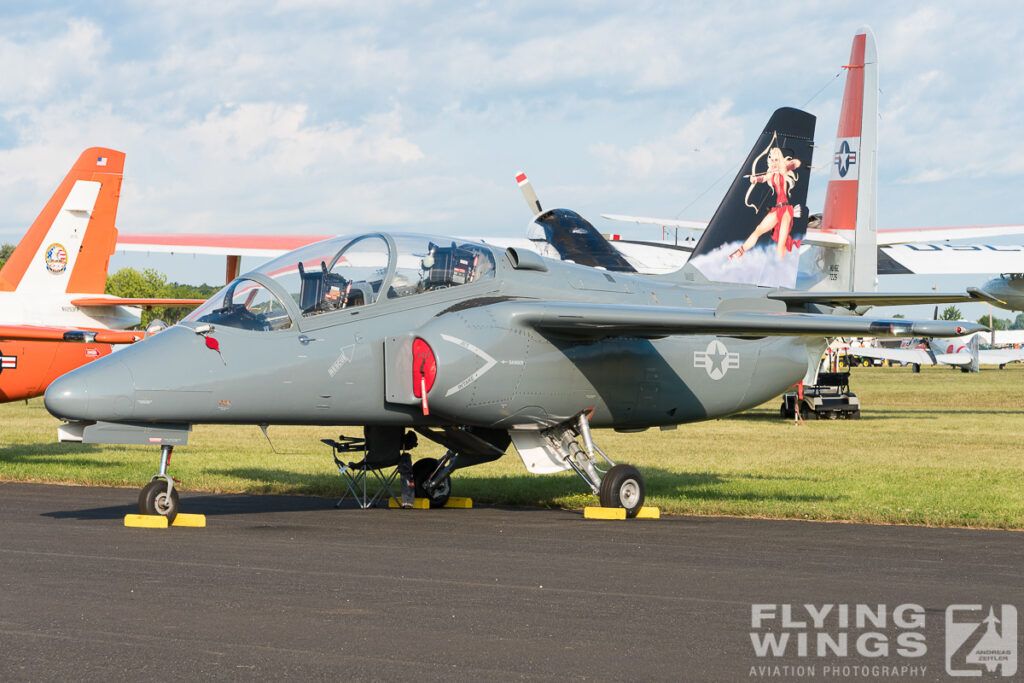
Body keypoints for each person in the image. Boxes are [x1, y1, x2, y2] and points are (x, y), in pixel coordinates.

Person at [730, 137, 803, 260]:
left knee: (781, 243)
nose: (774, 162)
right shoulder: (771, 174)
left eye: (776, 160)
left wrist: (786, 166)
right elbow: (762, 178)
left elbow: (797, 163)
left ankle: (780, 267)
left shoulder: (783, 171)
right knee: (758, 229)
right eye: (772, 160)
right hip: (777, 209)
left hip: (785, 210)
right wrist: (755, 179)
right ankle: (739, 252)